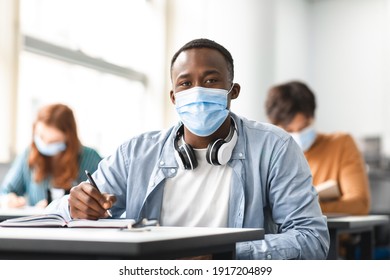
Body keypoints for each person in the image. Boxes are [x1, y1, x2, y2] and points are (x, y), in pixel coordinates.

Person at [46, 39, 329, 259]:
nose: (197, 90)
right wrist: (76, 207)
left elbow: (312, 239)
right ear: (173, 96)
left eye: (211, 80)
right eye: (185, 83)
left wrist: (223, 255)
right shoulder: (135, 153)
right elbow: (56, 215)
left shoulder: (274, 147)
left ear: (233, 90)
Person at [265, 80, 371, 215]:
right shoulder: (268, 155)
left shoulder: (341, 144)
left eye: (304, 127)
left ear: (312, 118)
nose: (297, 134)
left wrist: (305, 208)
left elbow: (359, 204)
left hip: (331, 234)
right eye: (289, 130)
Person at [0, 103, 102, 208]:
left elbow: (104, 196)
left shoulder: (90, 157)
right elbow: (7, 191)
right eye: (41, 137)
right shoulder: (28, 154)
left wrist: (57, 206)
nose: (45, 144)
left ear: (68, 137)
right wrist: (10, 199)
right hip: (37, 222)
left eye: (54, 141)